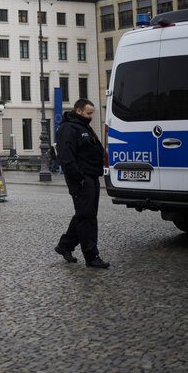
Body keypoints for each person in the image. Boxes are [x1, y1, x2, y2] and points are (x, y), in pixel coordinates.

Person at [54, 98, 110, 269]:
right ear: (78, 111)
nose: (91, 116)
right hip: (81, 179)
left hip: (91, 177)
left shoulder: (83, 126)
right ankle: (92, 256)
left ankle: (64, 245)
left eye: (92, 113)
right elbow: (66, 156)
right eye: (88, 113)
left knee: (84, 214)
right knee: (87, 217)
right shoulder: (68, 128)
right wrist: (78, 177)